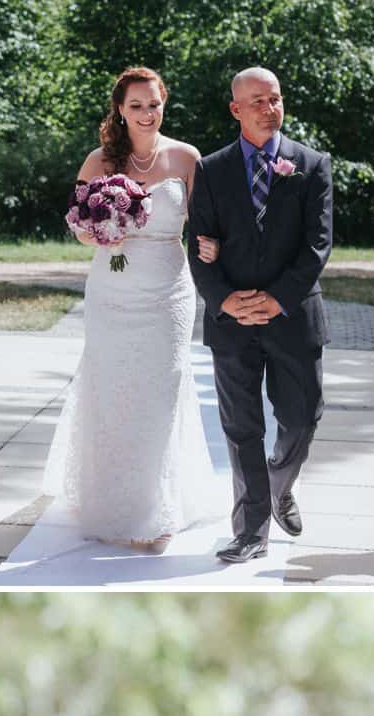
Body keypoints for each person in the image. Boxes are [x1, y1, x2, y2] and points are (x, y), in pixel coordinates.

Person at [45, 64, 219, 554]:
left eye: (154, 104)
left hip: (168, 291)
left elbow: (206, 224)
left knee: (161, 391)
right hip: (112, 290)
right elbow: (77, 224)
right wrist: (100, 231)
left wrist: (211, 246)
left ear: (165, 105)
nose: (147, 114)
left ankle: (158, 510)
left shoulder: (186, 158)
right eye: (136, 105)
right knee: (113, 388)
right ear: (120, 110)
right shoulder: (99, 160)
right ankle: (112, 502)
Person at [186, 66, 335, 566]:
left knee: (303, 416)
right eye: (257, 102)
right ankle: (250, 530)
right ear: (236, 109)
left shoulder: (311, 165)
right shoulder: (210, 169)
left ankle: (280, 484)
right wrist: (224, 300)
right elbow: (199, 243)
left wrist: (277, 299)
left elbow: (317, 245)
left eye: (275, 100)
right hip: (232, 322)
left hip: (293, 317)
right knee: (241, 426)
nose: (269, 109)